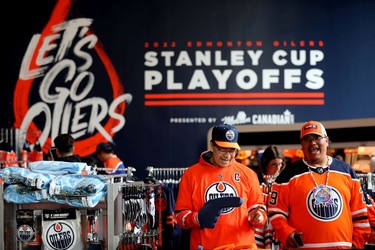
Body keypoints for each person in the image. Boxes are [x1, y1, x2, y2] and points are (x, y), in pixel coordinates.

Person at [268, 120, 371, 249]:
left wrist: (357, 244)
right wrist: (286, 233)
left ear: (327, 141)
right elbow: (275, 212)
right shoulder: (287, 175)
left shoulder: (347, 172)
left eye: (317, 137)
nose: (312, 142)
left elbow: (360, 215)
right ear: (302, 145)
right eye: (307, 139)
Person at [174, 124, 267, 250]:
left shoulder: (248, 174)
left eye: (232, 150)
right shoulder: (191, 175)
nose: (227, 156)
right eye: (223, 149)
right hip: (206, 246)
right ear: (212, 146)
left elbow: (258, 208)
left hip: (242, 246)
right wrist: (197, 218)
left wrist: (259, 216)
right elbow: (180, 217)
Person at [255, 145, 285, 249]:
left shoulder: (285, 182)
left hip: (279, 225)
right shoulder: (255, 181)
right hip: (259, 226)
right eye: (274, 165)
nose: (278, 168)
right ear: (265, 163)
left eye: (280, 164)